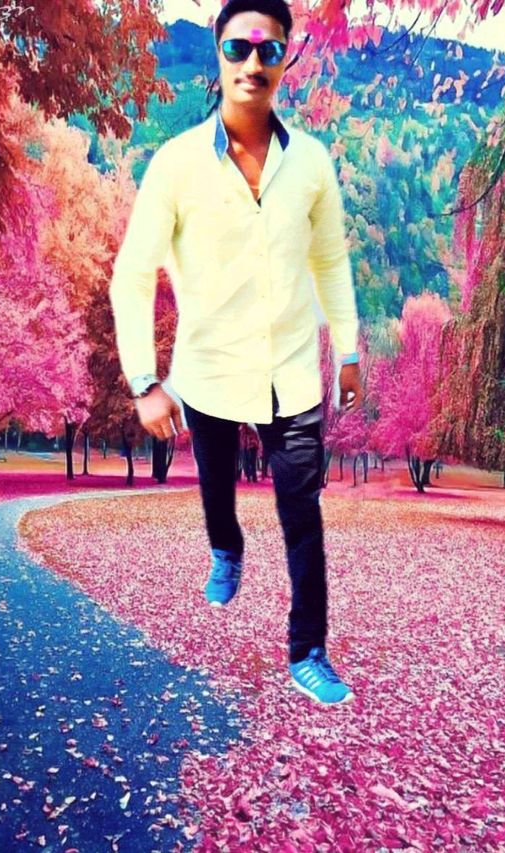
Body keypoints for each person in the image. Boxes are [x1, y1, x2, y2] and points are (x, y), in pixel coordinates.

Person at [110, 0, 364, 706]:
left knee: (302, 514)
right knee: (217, 487)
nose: (254, 62)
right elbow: (133, 274)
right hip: (210, 372)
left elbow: (331, 262)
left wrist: (347, 350)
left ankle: (308, 651)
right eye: (238, 48)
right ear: (218, 55)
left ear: (285, 60)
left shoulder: (311, 164)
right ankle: (226, 549)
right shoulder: (176, 165)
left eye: (269, 49)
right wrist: (144, 380)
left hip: (291, 372)